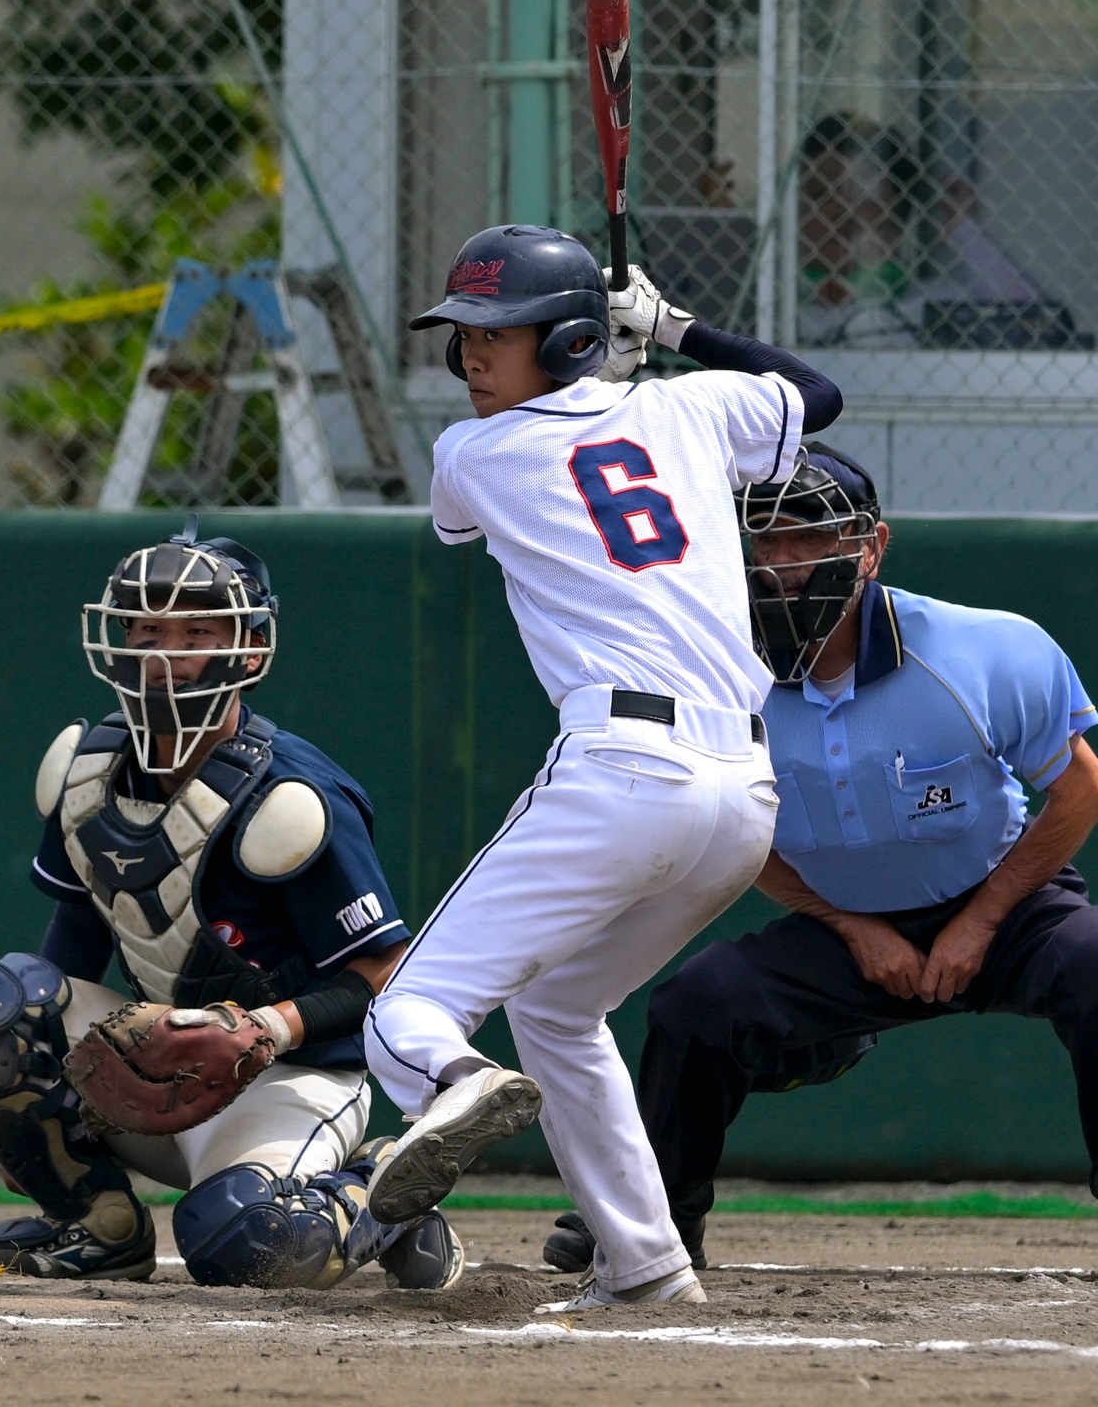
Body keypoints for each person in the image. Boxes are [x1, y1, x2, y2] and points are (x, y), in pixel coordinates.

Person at [540, 444, 1098, 1282]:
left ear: (871, 548)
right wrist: (850, 928)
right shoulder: (710, 676)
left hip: (1001, 904)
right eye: (764, 542)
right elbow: (729, 827)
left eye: (809, 537)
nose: (782, 564)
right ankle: (653, 1218)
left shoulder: (984, 650)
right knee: (695, 1006)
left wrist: (981, 922)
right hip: (840, 924)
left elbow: (1084, 791)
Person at [357, 224, 843, 1309]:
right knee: (560, 1008)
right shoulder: (691, 407)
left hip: (623, 772)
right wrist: (671, 333)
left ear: (567, 338)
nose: (471, 356)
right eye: (464, 335)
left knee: (406, 1013)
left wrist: (608, 370)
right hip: (742, 798)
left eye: (498, 334)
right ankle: (646, 1267)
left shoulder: (470, 456)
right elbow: (816, 395)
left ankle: (456, 1079)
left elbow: (526, 484)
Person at [0, 528, 463, 1290]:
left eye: (197, 633)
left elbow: (386, 975)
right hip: (162, 1064)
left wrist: (266, 1028)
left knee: (248, 1246)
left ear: (249, 648)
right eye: (147, 631)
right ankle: (98, 1226)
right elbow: (72, 946)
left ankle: (379, 1188)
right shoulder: (89, 773)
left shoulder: (294, 795)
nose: (165, 654)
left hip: (290, 1080)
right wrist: (34, 1115)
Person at [795, 112, 1042, 349]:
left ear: (898, 207)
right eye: (820, 193)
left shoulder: (935, 306)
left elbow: (1035, 323)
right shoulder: (782, 313)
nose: (842, 208)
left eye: (862, 191)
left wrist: (963, 230)